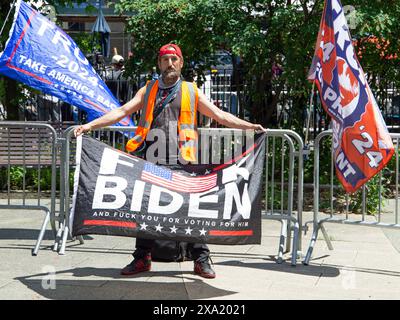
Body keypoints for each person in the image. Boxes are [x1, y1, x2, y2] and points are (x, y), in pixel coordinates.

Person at [74, 43, 266, 279]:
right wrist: (89, 126)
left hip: (183, 162)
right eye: (165, 60)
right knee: (145, 209)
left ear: (181, 63)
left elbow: (219, 115)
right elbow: (121, 111)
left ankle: (201, 257)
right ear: (159, 63)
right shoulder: (147, 90)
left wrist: (250, 126)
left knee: (192, 211)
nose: (170, 64)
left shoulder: (191, 90)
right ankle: (142, 257)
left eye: (174, 59)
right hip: (152, 161)